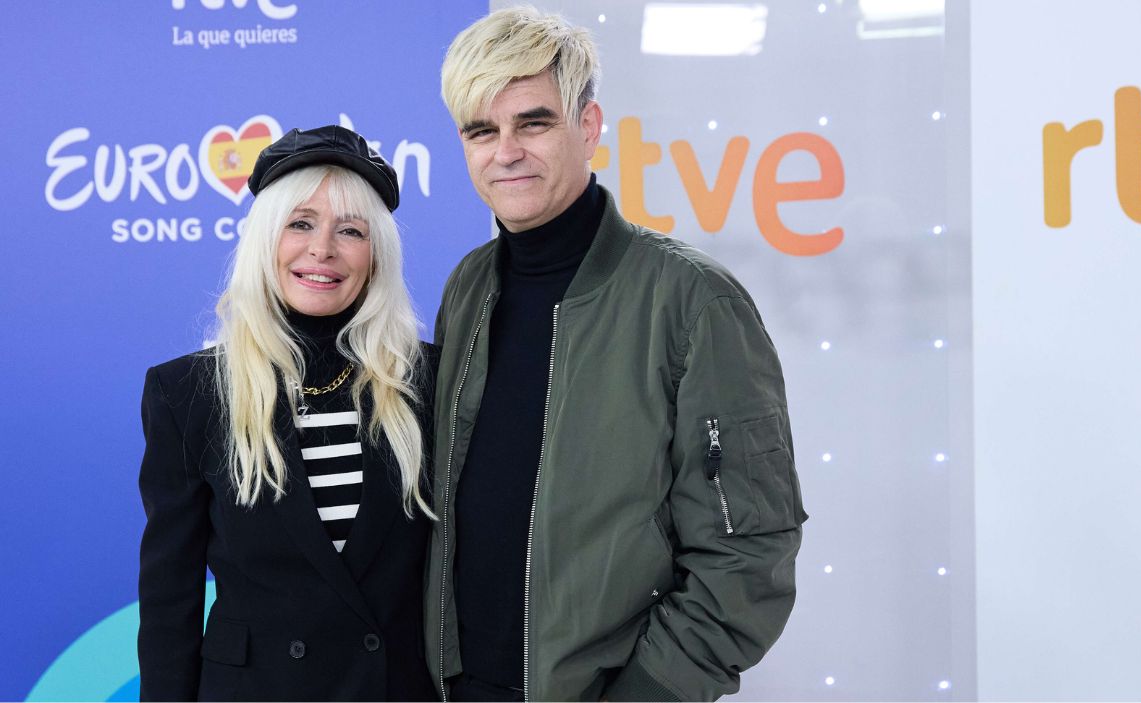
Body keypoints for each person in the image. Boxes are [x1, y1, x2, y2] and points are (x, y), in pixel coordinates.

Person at [426, 7, 806, 701]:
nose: (505, 151)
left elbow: (749, 550)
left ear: (589, 126)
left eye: (533, 123)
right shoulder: (468, 287)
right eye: (482, 130)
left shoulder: (693, 300)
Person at [137, 125, 438, 701]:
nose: (322, 249)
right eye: (300, 224)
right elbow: (169, 601)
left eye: (350, 230)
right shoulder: (188, 393)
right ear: (264, 240)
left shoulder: (428, 380)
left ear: (376, 255)